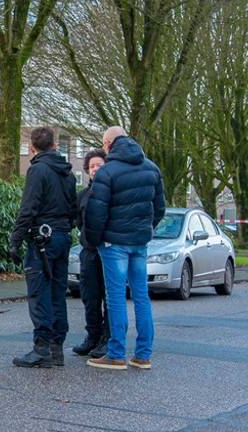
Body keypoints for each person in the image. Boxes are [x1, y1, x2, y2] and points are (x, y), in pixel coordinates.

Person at [84, 126, 165, 370]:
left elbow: (96, 213)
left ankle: (116, 353)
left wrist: (94, 240)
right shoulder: (151, 168)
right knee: (141, 296)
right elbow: (159, 208)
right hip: (140, 242)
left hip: (113, 243)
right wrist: (144, 229)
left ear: (108, 144)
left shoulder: (107, 172)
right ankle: (143, 354)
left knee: (116, 298)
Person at [9, 127, 77, 368]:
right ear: (55, 146)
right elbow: (73, 208)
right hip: (62, 237)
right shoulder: (68, 174)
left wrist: (15, 241)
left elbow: (28, 208)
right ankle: (57, 347)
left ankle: (41, 348)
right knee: (58, 293)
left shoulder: (37, 171)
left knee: (39, 293)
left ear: (32, 148)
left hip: (42, 239)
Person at [72, 148, 110, 358]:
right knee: (90, 296)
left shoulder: (112, 192)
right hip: (88, 252)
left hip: (108, 251)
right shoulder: (83, 195)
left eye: (99, 165)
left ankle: (108, 338)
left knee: (109, 297)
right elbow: (78, 220)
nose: (95, 169)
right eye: (92, 166)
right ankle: (92, 336)